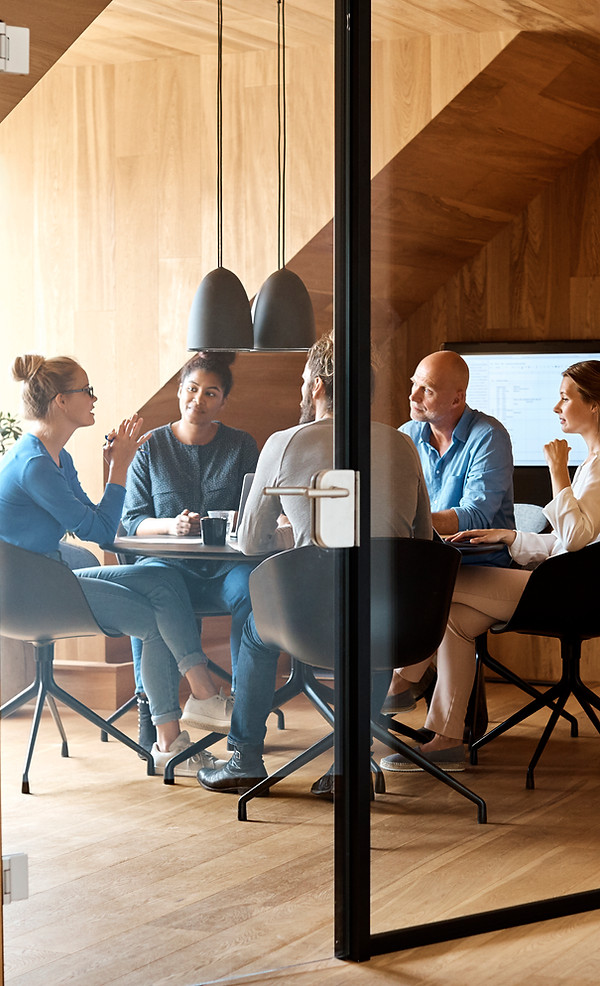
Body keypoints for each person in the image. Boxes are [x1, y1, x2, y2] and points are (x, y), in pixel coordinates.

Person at [196, 330, 433, 795]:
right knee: (375, 621)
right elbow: (420, 540)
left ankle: (244, 759)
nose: (301, 388)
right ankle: (351, 761)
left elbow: (249, 543)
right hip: (398, 620)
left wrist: (294, 532)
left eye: (304, 380)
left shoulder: (284, 443)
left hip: (311, 620)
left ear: (320, 386)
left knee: (255, 630)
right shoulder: (404, 446)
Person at [0, 354, 231, 777]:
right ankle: (175, 732)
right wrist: (120, 466)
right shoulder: (34, 465)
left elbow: (99, 518)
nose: (93, 399)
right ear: (60, 402)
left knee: (161, 576)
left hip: (52, 574)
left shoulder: (56, 457)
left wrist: (114, 470)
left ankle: (195, 701)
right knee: (151, 618)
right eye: (85, 391)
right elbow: (102, 531)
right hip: (28, 592)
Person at [381, 360, 600, 772]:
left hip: (573, 592)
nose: (556, 406)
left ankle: (400, 680)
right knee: (455, 619)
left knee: (436, 586)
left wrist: (557, 472)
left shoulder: (596, 464)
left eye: (566, 397)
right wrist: (512, 536)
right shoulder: (592, 461)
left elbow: (574, 542)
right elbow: (569, 541)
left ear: (595, 407)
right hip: (559, 578)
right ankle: (445, 739)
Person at [121, 351, 259, 748]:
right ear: (179, 391)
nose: (198, 399)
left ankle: (243, 712)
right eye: (192, 389)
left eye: (210, 393)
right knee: (150, 585)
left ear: (222, 402)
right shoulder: (150, 447)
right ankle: (151, 707)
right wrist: (172, 525)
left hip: (226, 571)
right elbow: (133, 520)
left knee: (253, 589)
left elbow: (254, 512)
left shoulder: (241, 445)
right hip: (170, 568)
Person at [384, 348, 515, 715]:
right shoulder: (406, 435)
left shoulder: (489, 436)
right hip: (430, 562)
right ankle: (421, 693)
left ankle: (405, 676)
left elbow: (476, 515)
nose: (412, 396)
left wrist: (415, 519)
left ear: (458, 397)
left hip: (484, 563)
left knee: (429, 592)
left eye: (425, 389)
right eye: (414, 385)